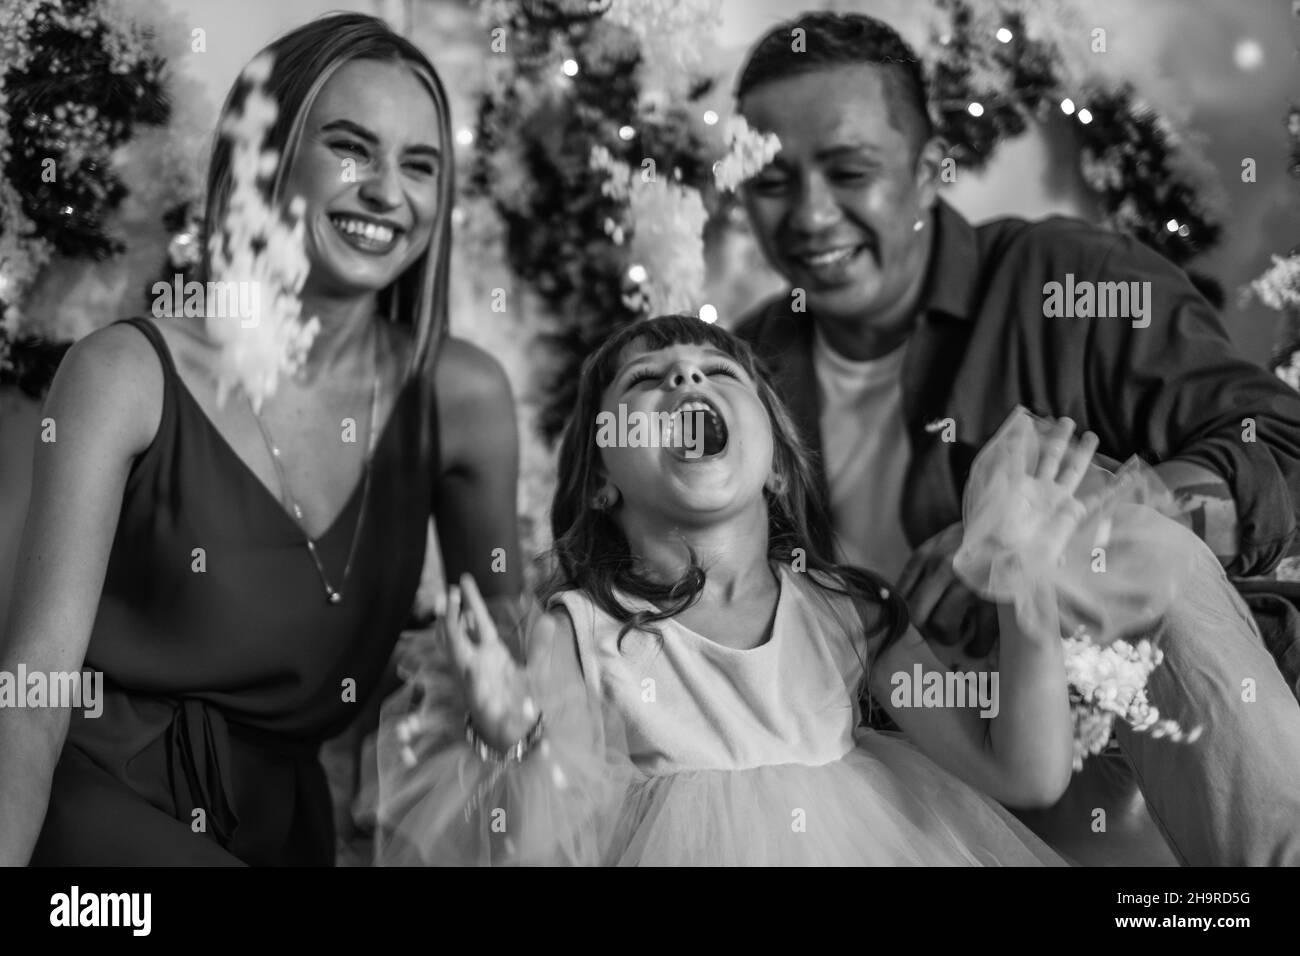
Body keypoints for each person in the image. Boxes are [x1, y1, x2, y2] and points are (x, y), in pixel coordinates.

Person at [730, 11, 1300, 865]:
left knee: (1124, 543)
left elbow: (1282, 451)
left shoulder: (1075, 280)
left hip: (1100, 754)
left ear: (928, 174)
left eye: (849, 171)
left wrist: (1050, 536)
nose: (811, 214)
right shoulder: (741, 369)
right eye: (774, 179)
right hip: (862, 774)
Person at [0, 13, 521, 866]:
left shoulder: (463, 398)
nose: (389, 192)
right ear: (263, 157)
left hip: (285, 832)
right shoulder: (124, 373)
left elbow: (504, 665)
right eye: (352, 149)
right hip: (96, 813)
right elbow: (30, 688)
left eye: (420, 165)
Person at [371, 313, 1155, 866]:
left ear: (777, 466)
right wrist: (510, 737)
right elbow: (539, 845)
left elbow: (1025, 773)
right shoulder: (579, 628)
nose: (684, 374)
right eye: (646, 380)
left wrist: (1023, 581)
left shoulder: (850, 614)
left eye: (717, 373)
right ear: (601, 482)